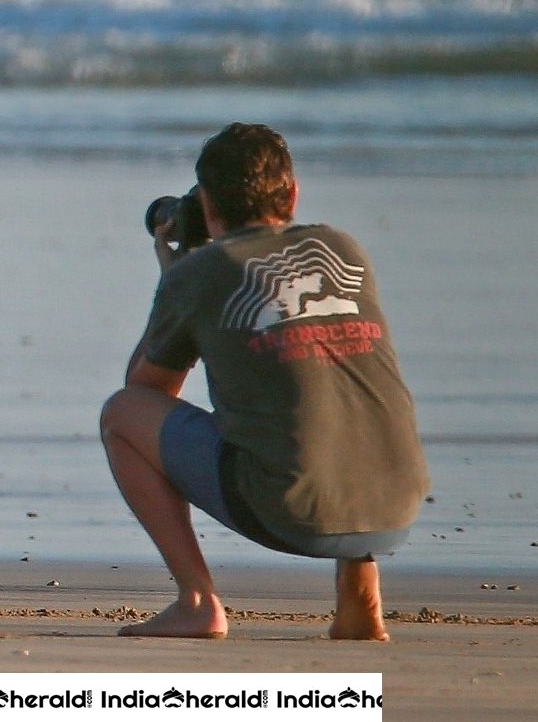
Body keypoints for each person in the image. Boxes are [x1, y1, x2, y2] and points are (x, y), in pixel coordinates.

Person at [99, 123, 428, 640]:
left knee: (120, 415)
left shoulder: (202, 273)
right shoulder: (342, 249)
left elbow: (148, 393)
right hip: (394, 505)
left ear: (206, 204)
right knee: (337, 386)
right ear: (293, 193)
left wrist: (174, 281)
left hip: (291, 511)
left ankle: (197, 601)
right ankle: (360, 598)